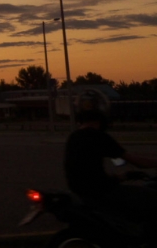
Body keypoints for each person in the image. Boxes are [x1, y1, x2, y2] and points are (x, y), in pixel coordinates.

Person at [64, 91, 157, 238]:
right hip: (100, 193)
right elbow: (136, 161)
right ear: (102, 112)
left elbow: (90, 173)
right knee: (152, 198)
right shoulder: (99, 137)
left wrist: (123, 176)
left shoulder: (74, 137)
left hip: (84, 192)